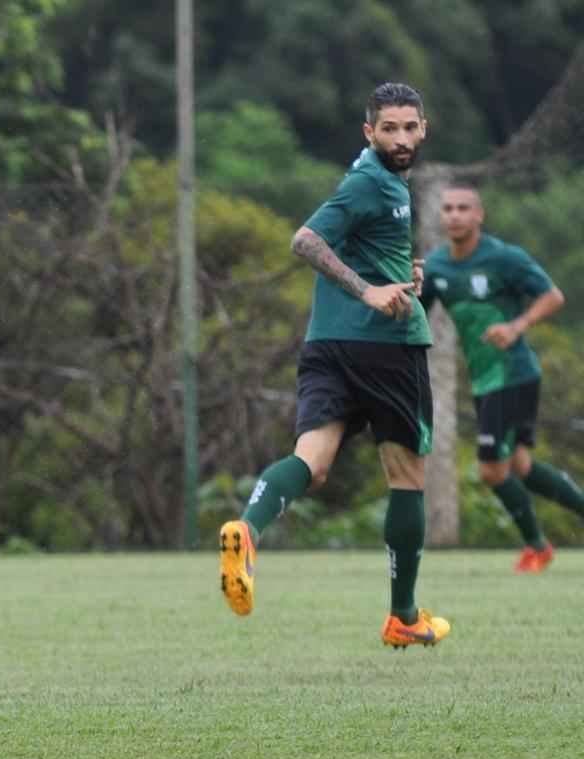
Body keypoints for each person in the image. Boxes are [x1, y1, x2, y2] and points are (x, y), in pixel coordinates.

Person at [219, 83, 450, 649]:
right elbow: (306, 240)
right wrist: (370, 291)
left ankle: (246, 533)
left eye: (408, 127)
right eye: (388, 128)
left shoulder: (382, 181)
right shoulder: (369, 181)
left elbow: (360, 244)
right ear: (368, 133)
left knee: (313, 461)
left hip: (327, 344)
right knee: (406, 477)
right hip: (385, 350)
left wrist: (400, 272)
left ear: (423, 129)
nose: (399, 138)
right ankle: (403, 617)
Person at [422, 185, 583, 572]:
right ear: (440, 217)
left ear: (479, 215)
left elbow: (552, 295)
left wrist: (516, 325)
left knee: (492, 469)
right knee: (522, 465)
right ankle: (539, 547)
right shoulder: (436, 266)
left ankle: (537, 545)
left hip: (512, 373)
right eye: (448, 208)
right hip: (484, 378)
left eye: (463, 208)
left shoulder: (504, 258)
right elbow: (416, 313)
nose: (455, 215)